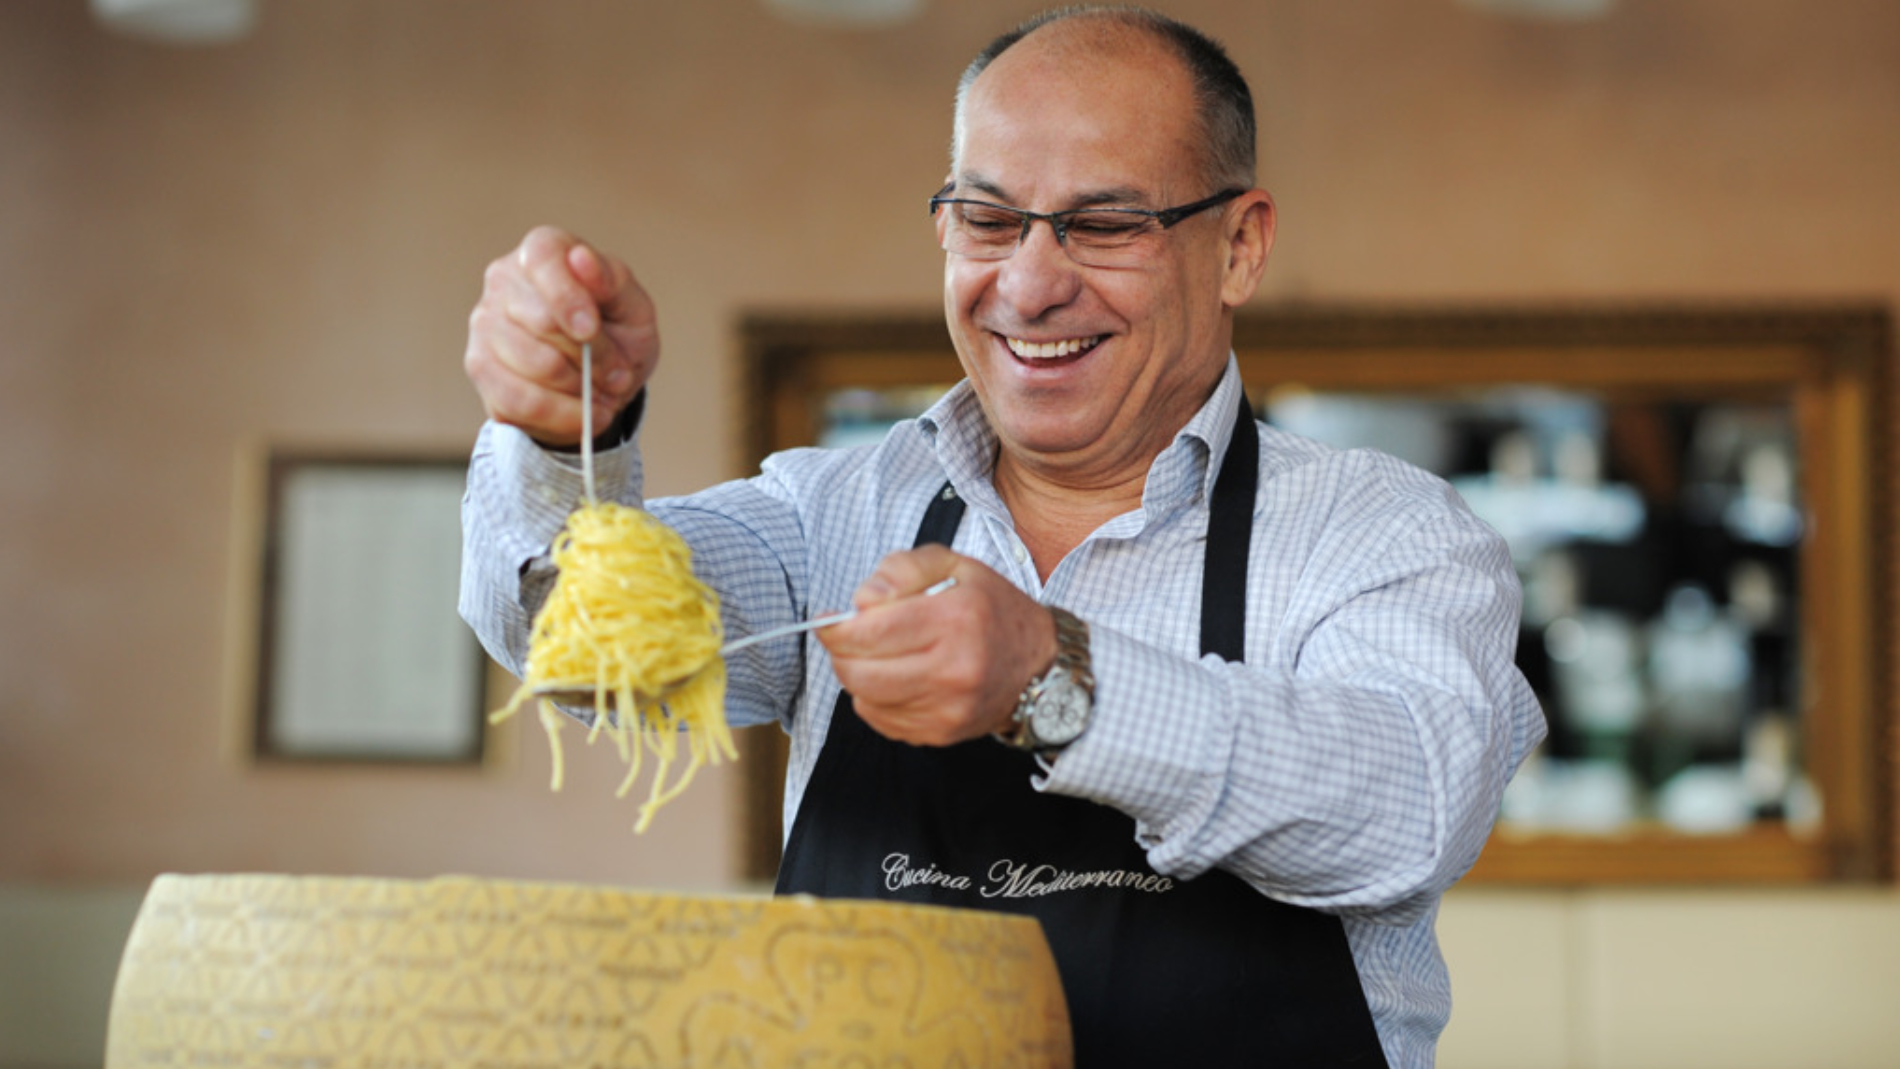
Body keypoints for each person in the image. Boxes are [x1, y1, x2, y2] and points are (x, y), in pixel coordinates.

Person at [460, 7, 1544, 1067]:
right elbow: (568, 634)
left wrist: (1048, 679)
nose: (1029, 284)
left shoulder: (1375, 535)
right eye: (987, 220)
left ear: (1240, 247)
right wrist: (561, 434)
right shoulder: (833, 514)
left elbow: (1405, 811)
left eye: (1105, 223)